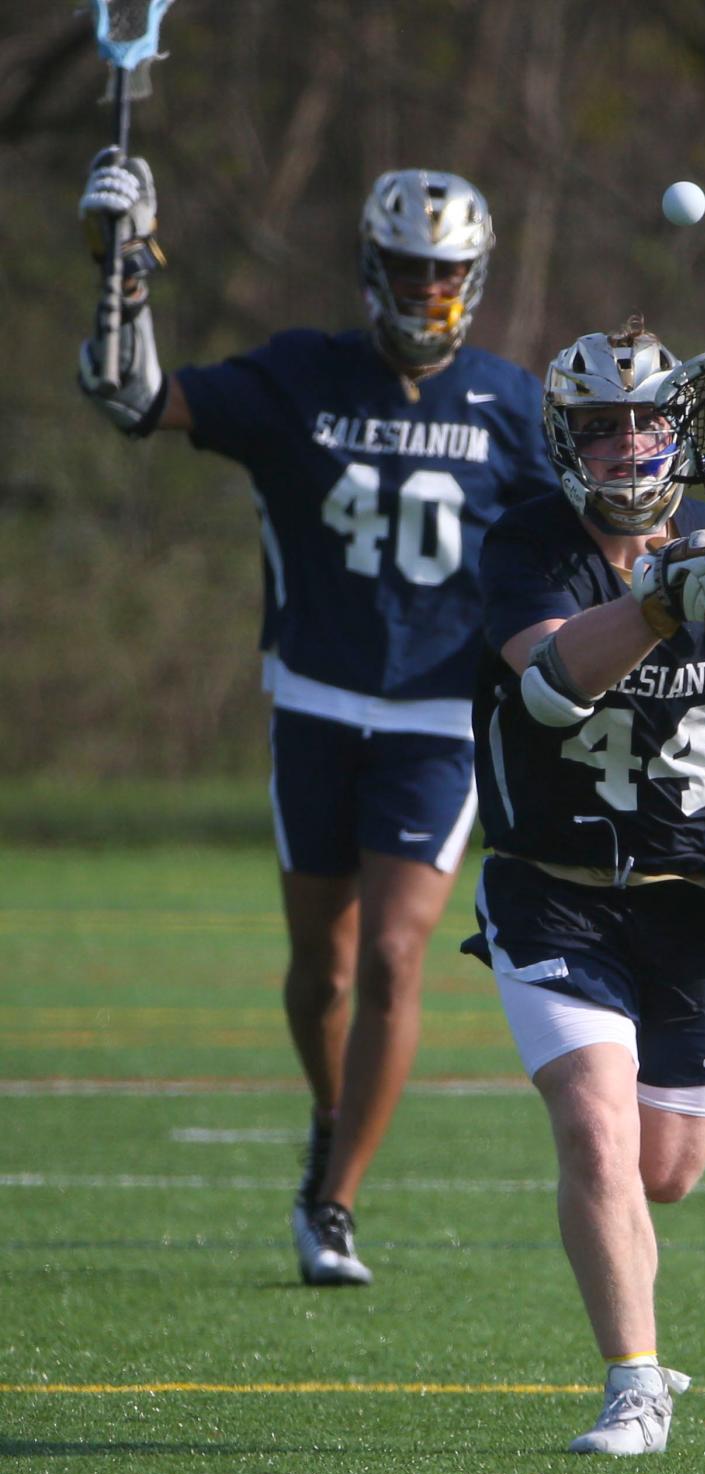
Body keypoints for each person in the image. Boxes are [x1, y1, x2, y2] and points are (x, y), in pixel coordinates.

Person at [77, 154, 557, 1287]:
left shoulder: (509, 402)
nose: (426, 290)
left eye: (445, 272)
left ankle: (333, 1202)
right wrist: (120, 270)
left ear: (474, 279)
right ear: (368, 268)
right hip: (317, 701)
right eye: (406, 268)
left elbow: (597, 522)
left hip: (441, 716)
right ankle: (332, 1113)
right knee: (323, 973)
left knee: (396, 956)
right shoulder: (303, 375)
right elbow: (132, 396)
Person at [462, 318, 705, 1455]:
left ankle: (638, 1341)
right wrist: (669, 601)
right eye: (597, 427)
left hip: (689, 903)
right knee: (594, 1128)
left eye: (645, 421)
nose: (626, 445)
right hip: (554, 890)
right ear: (564, 443)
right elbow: (550, 684)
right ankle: (633, 1384)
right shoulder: (527, 546)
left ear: (680, 432)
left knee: (662, 1172)